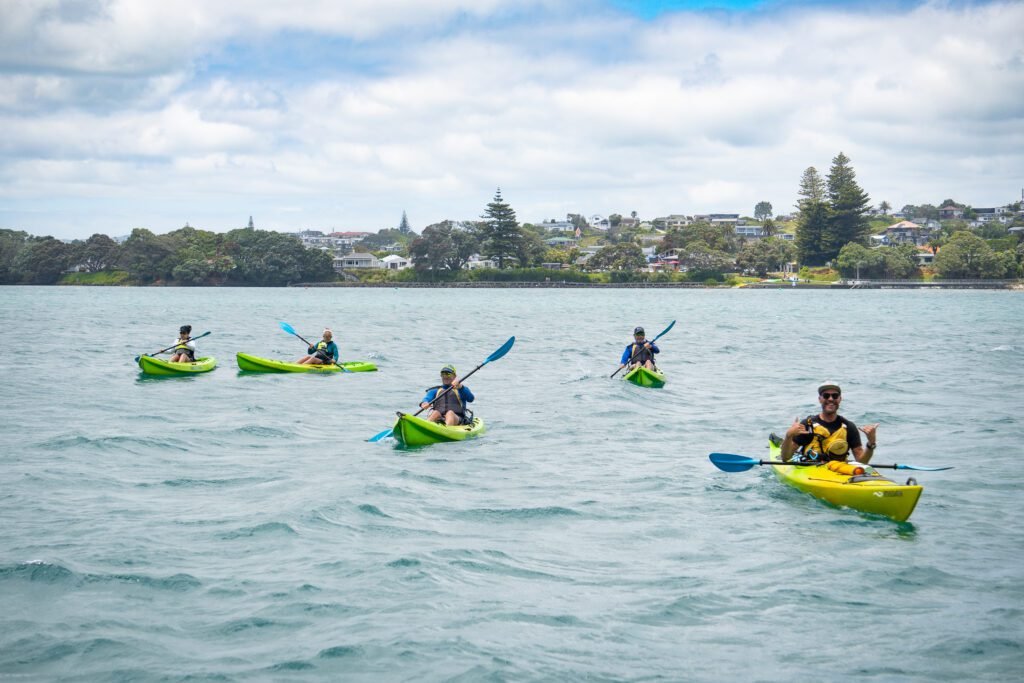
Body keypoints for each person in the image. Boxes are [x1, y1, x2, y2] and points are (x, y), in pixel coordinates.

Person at [780, 381, 878, 464]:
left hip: (838, 470)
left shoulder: (849, 427)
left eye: (835, 396)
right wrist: (789, 435)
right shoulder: (807, 425)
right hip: (810, 469)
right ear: (820, 399)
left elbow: (861, 462)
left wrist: (871, 443)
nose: (830, 399)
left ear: (840, 399)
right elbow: (785, 458)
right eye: (826, 396)